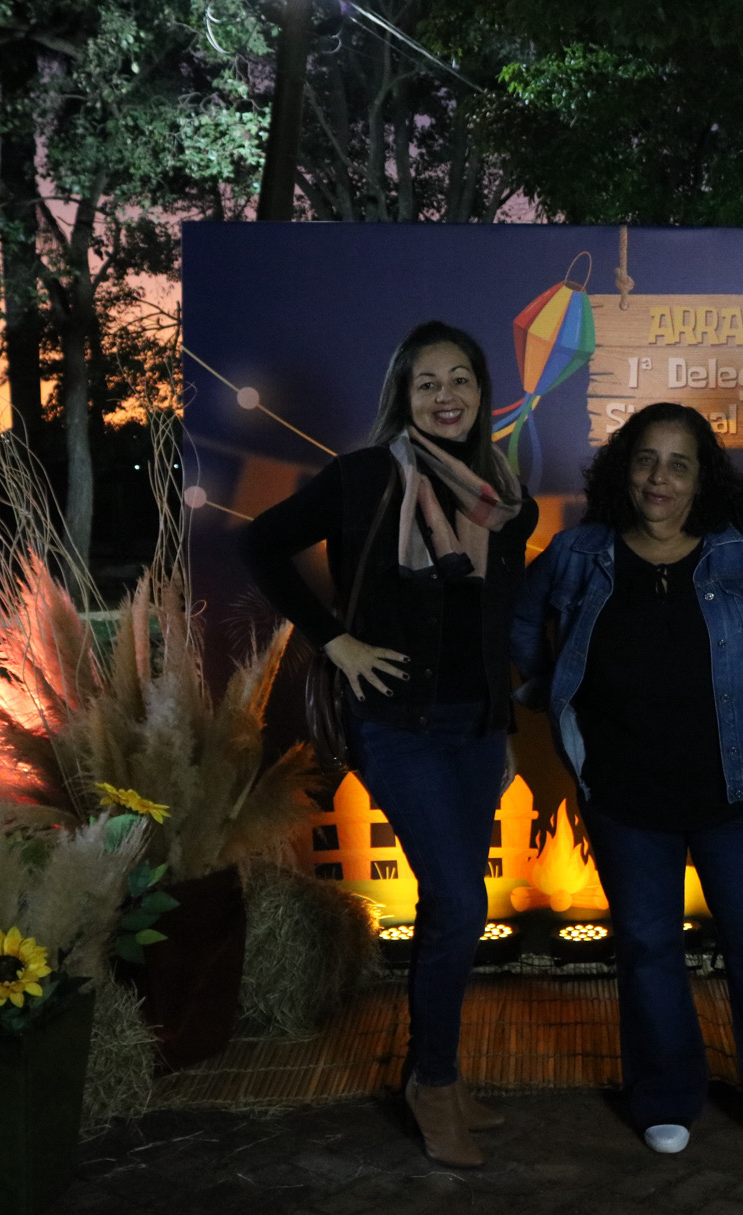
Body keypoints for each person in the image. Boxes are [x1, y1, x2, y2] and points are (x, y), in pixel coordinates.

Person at [242, 320, 538, 1168]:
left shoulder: (502, 493)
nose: (447, 396)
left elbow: (490, 627)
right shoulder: (366, 475)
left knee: (453, 908)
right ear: (403, 396)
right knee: (459, 904)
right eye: (427, 382)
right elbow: (260, 545)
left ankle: (433, 1072)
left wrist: (502, 728)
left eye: (461, 379)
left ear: (482, 392)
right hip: (398, 727)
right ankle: (431, 1083)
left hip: (475, 729)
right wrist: (334, 639)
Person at [512, 402, 743, 1165]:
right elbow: (519, 625)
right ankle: (665, 1095)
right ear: (624, 469)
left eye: (679, 464)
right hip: (626, 799)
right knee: (649, 950)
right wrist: (546, 693)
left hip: (738, 793)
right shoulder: (579, 554)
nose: (660, 477)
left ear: (702, 479)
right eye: (646, 460)